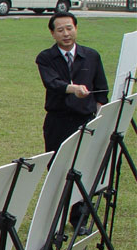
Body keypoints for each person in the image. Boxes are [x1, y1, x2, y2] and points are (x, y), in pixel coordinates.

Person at [36, 11, 108, 154]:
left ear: (76, 28)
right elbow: (52, 83)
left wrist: (99, 120)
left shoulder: (91, 56)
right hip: (58, 122)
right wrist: (74, 89)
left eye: (69, 28)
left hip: (85, 120)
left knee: (85, 163)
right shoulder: (45, 58)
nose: (66, 34)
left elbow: (101, 90)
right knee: (57, 165)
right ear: (53, 33)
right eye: (60, 30)